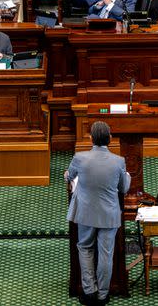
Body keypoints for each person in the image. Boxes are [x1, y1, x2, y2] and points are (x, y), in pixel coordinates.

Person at [64, 121, 131, 306]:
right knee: (106, 254)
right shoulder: (119, 161)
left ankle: (89, 292)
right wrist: (128, 176)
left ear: (91, 138)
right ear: (110, 139)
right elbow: (123, 188)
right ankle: (103, 295)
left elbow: (69, 176)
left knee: (85, 248)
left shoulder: (79, 158)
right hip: (109, 214)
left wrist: (67, 175)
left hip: (85, 213)